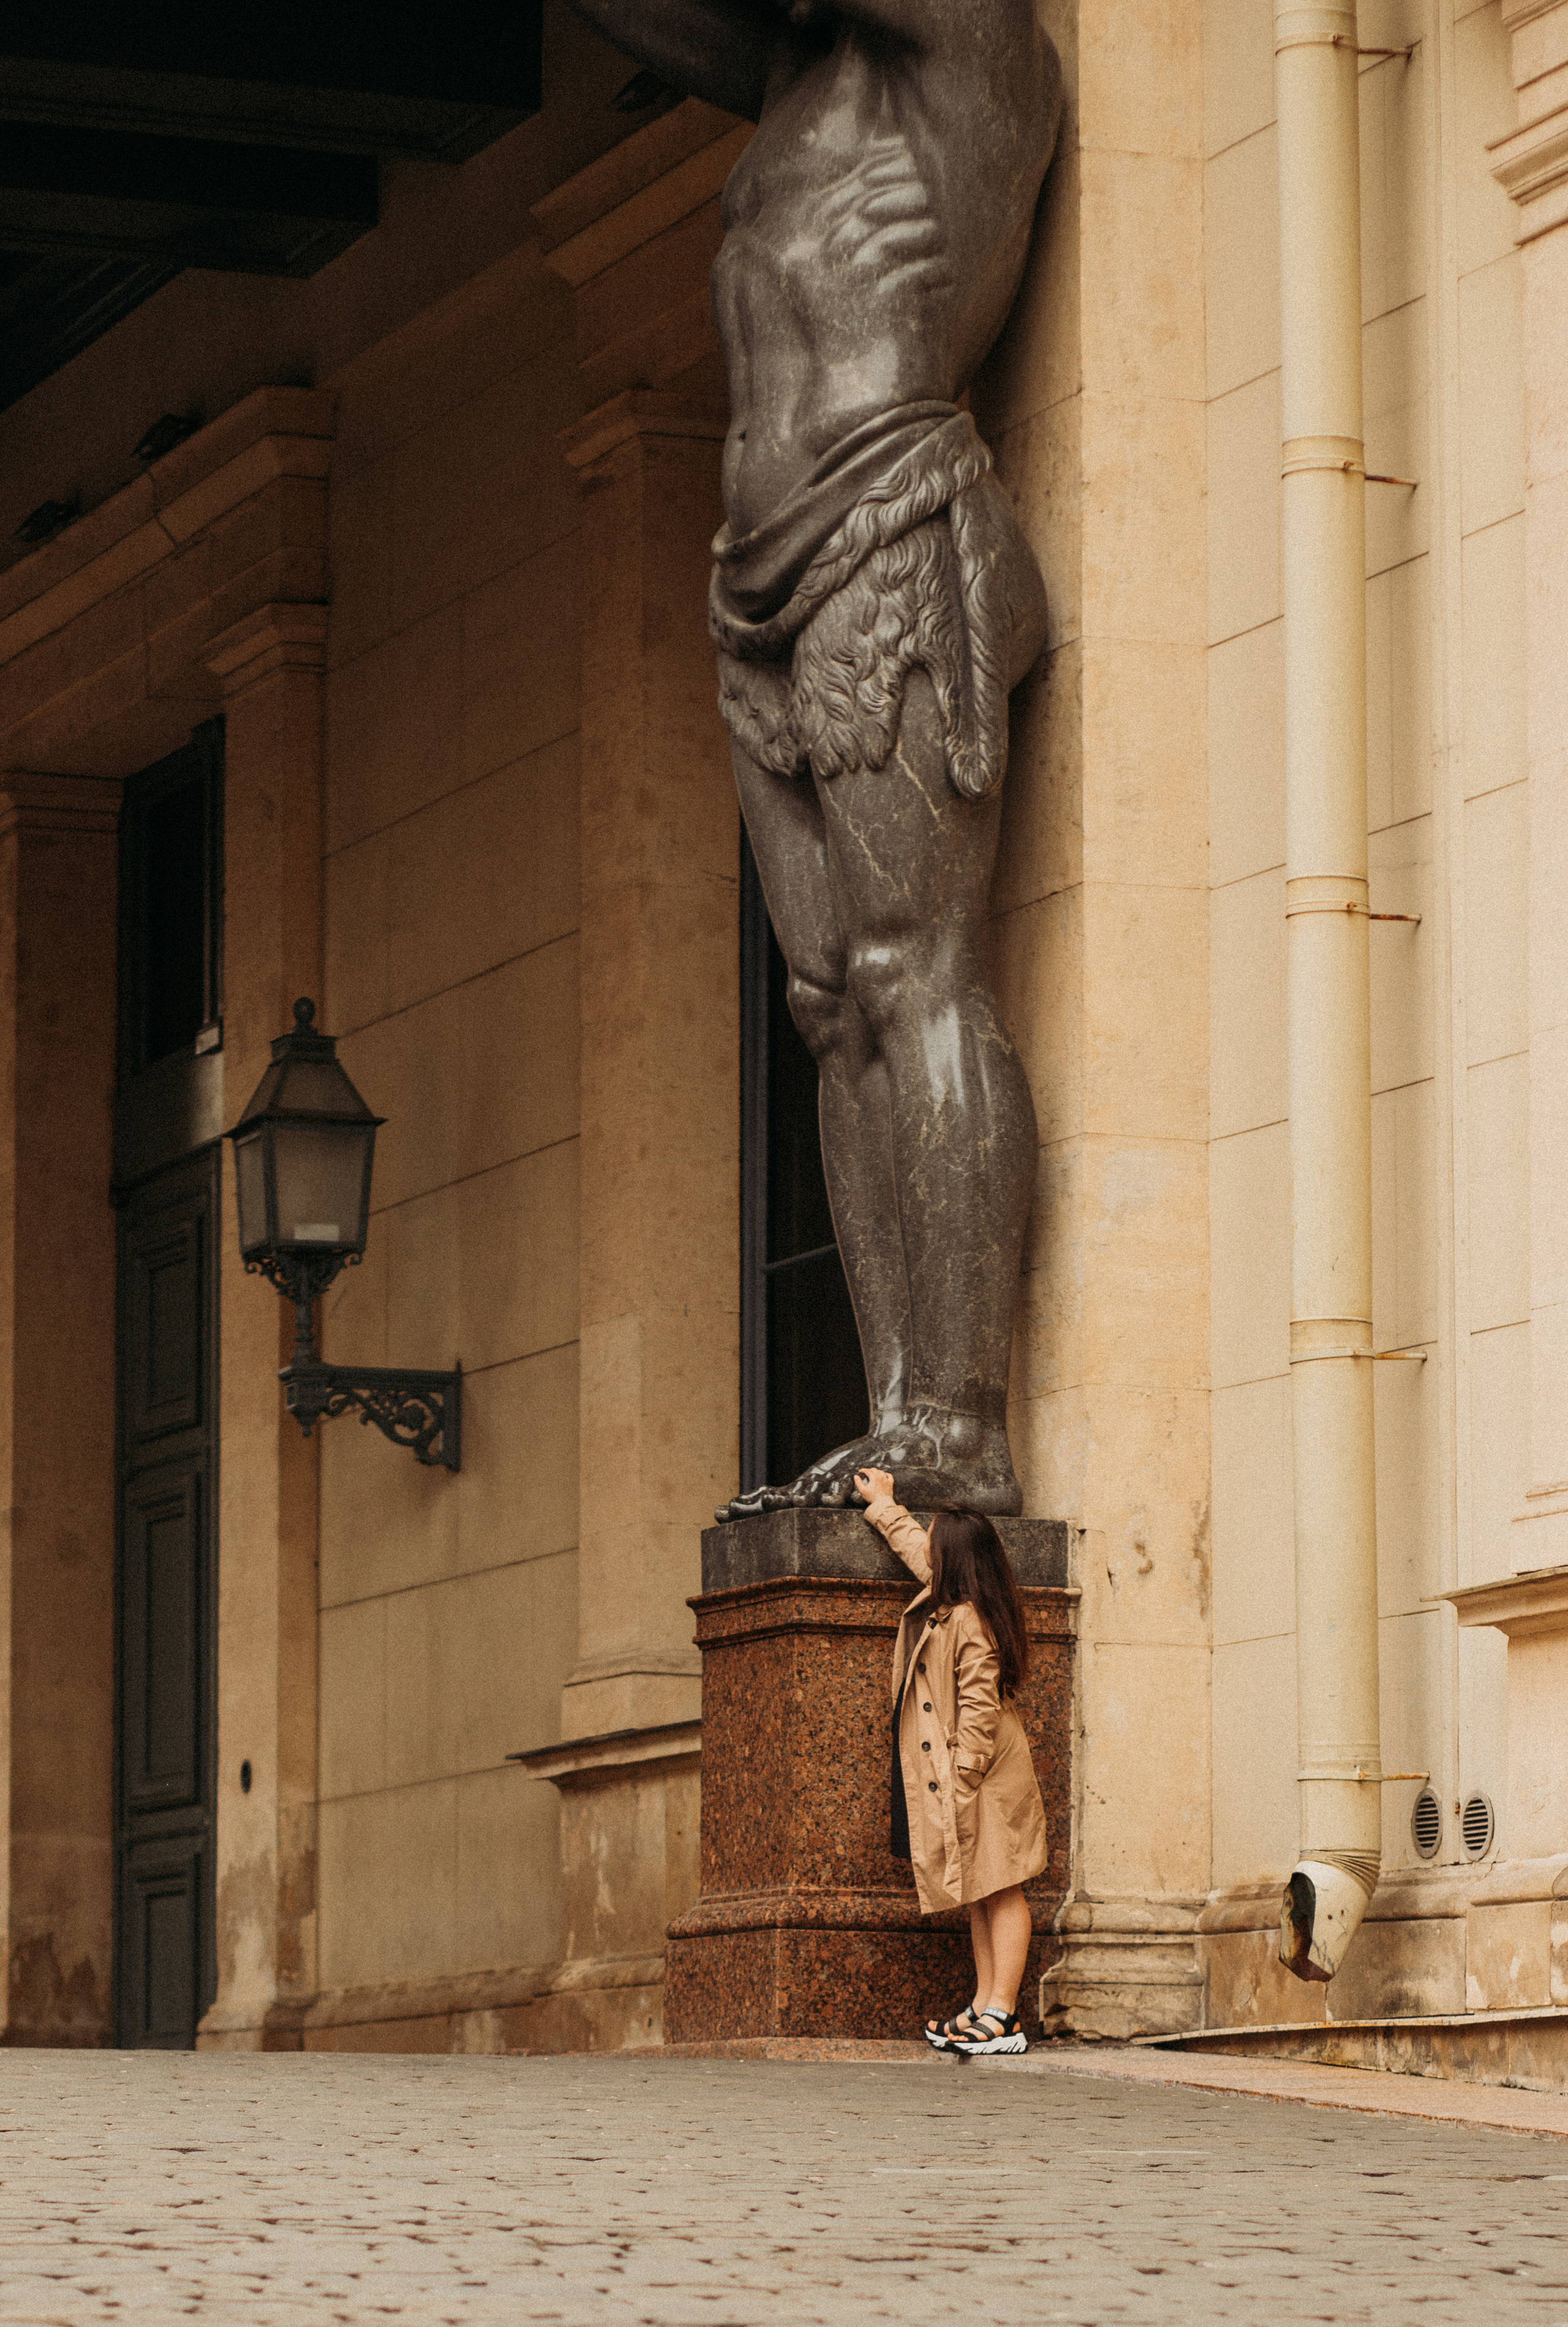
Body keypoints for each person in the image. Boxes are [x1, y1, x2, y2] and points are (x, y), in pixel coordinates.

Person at [564, 0, 1061, 1519]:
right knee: (831, 1002)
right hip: (757, 572)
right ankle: (895, 1399)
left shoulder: (973, 40)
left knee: (914, 969)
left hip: (887, 515)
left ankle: (956, 1417)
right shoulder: (794, 77)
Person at [854, 1462, 1047, 2051]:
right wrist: (885, 1505)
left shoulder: (969, 1621)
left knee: (1003, 1887)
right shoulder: (955, 1599)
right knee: (980, 1889)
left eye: (939, 1547)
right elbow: (918, 1548)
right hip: (972, 1773)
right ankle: (985, 2004)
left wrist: (962, 1776)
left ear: (955, 1562)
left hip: (985, 1773)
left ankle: (1004, 2015)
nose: (929, 1552)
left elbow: (980, 1708)